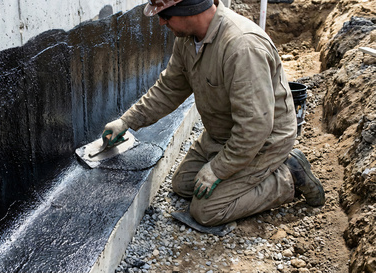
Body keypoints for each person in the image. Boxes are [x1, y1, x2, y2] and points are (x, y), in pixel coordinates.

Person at [103, 0, 325, 228]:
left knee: (207, 210)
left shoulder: (242, 47)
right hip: (225, 135)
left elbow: (255, 127)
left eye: (166, 16)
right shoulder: (187, 41)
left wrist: (218, 168)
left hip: (264, 141)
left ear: (188, 10)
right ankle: (244, 171)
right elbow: (169, 89)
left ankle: (289, 176)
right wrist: (126, 121)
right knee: (184, 184)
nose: (161, 22)